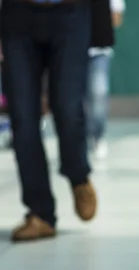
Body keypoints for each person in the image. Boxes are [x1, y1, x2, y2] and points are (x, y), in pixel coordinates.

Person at [1, 0, 97, 242]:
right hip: (17, 15)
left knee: (68, 107)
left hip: (70, 12)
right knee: (22, 118)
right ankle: (40, 212)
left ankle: (78, 175)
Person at [88, 0, 125, 160]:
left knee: (99, 92)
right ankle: (81, 139)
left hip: (99, 50)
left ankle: (98, 136)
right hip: (71, 49)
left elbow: (117, 18)